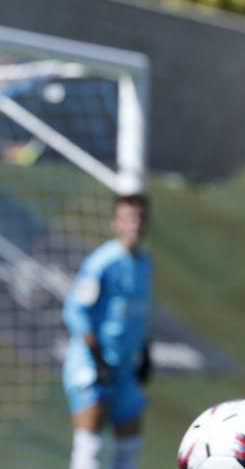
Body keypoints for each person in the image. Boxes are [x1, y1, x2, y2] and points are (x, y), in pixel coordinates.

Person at [62, 193, 153, 469]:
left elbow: (139, 313)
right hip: (92, 367)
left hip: (125, 370)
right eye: (127, 218)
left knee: (129, 449)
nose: (133, 224)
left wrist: (145, 352)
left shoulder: (146, 263)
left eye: (138, 218)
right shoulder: (102, 263)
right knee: (89, 449)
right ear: (115, 223)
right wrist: (97, 356)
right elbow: (74, 310)